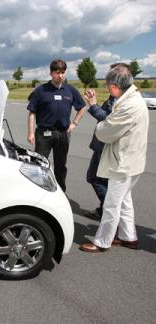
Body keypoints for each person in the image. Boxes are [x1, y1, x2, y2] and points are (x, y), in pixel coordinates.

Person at [80, 63, 149, 253]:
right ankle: (129, 237)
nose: (108, 89)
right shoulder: (131, 99)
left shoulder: (129, 105)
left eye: (109, 85)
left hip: (123, 162)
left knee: (111, 204)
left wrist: (99, 127)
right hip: (129, 161)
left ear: (114, 86)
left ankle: (102, 241)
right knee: (125, 201)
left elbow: (105, 132)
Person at [27, 59, 86, 192]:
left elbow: (82, 107)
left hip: (62, 134)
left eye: (63, 72)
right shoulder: (41, 90)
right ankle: (37, 191)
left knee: (61, 166)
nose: (60, 75)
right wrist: (30, 133)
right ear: (51, 73)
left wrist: (74, 123)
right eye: (57, 72)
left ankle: (60, 192)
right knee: (39, 165)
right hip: (44, 134)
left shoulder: (70, 90)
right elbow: (32, 112)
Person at [83, 89, 114, 217]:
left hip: (105, 147)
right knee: (103, 181)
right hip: (101, 145)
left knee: (94, 178)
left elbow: (107, 119)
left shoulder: (119, 99)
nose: (106, 85)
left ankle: (111, 210)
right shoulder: (114, 97)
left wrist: (93, 104)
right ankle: (103, 210)